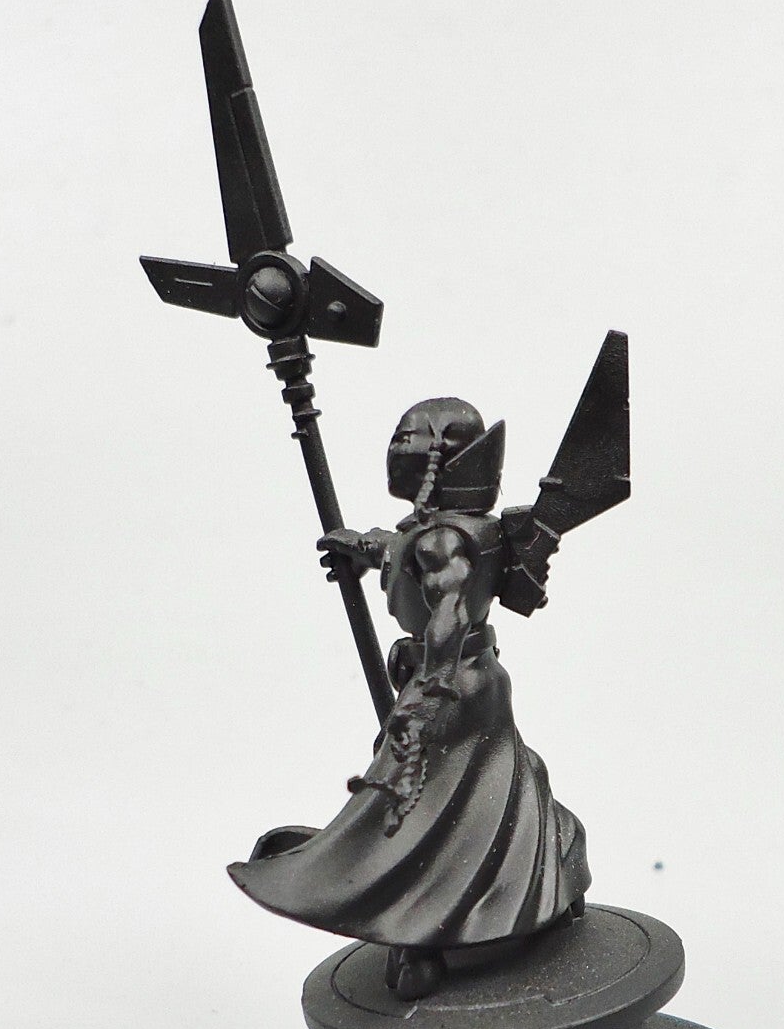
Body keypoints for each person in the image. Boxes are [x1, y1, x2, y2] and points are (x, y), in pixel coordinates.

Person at [227, 397, 589, 998]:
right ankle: (548, 875)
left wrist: (426, 698)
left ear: (440, 459)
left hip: (449, 684)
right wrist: (364, 547)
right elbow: (407, 550)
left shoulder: (444, 540)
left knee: (419, 806)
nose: (396, 449)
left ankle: (417, 932)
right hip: (472, 677)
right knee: (489, 788)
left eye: (407, 437)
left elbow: (448, 613)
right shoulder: (452, 531)